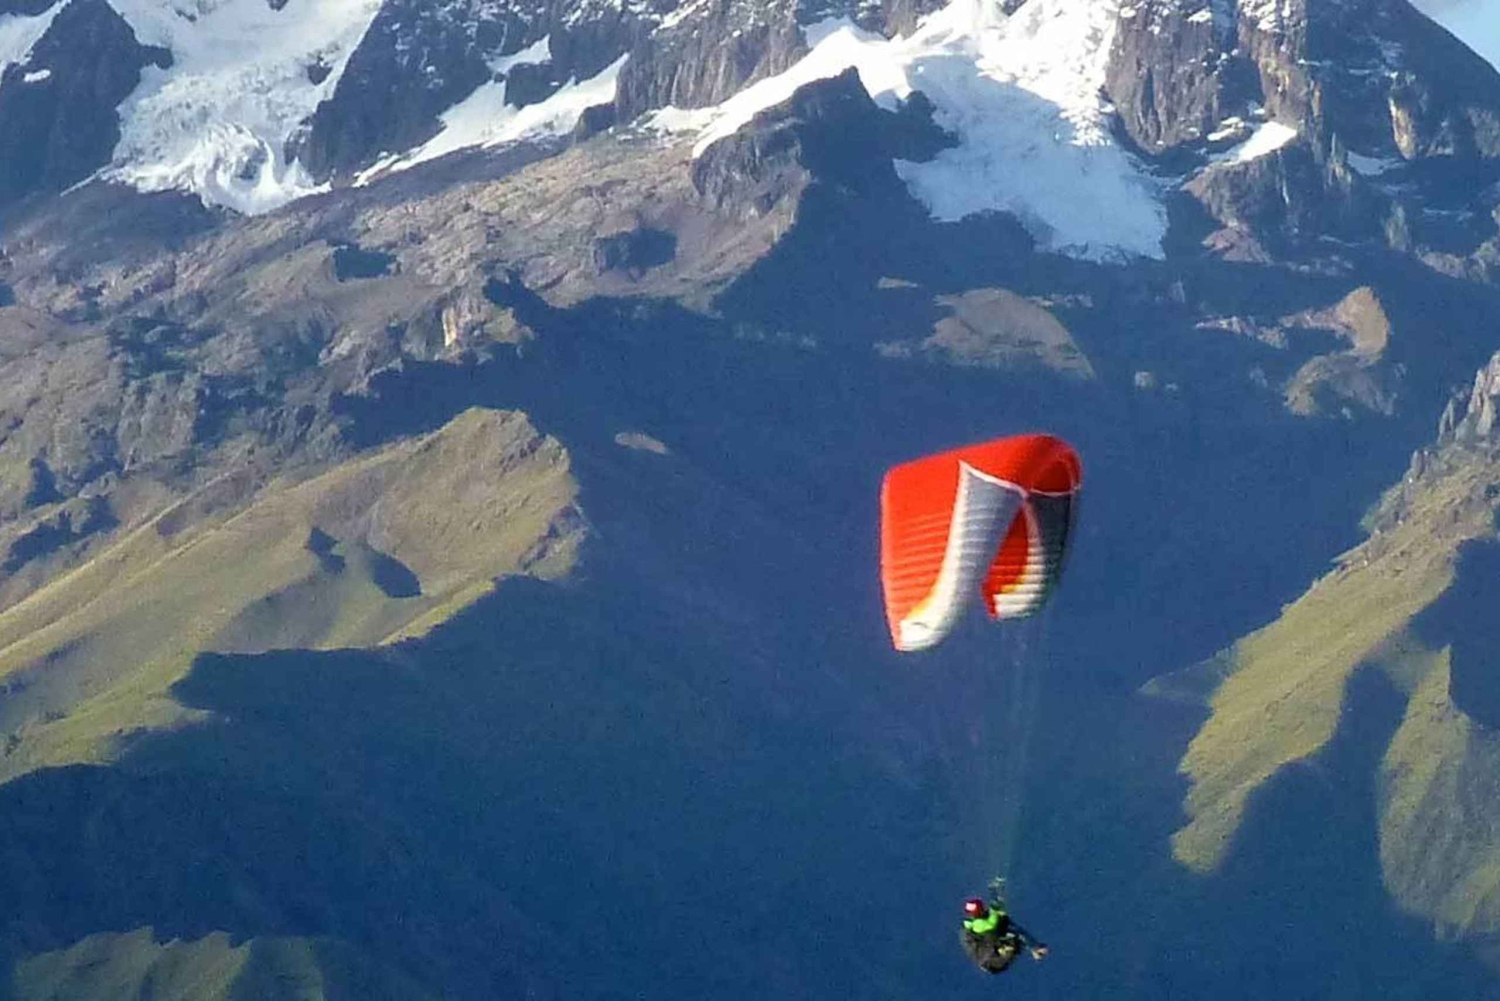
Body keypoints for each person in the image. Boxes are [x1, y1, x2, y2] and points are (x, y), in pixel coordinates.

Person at [960, 886, 1048, 974]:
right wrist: (995, 909)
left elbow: (1002, 922)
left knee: (1010, 929)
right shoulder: (974, 925)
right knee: (1009, 931)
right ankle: (1031, 948)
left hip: (992, 956)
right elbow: (991, 925)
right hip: (990, 960)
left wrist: (995, 897)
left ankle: (1033, 948)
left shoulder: (980, 921)